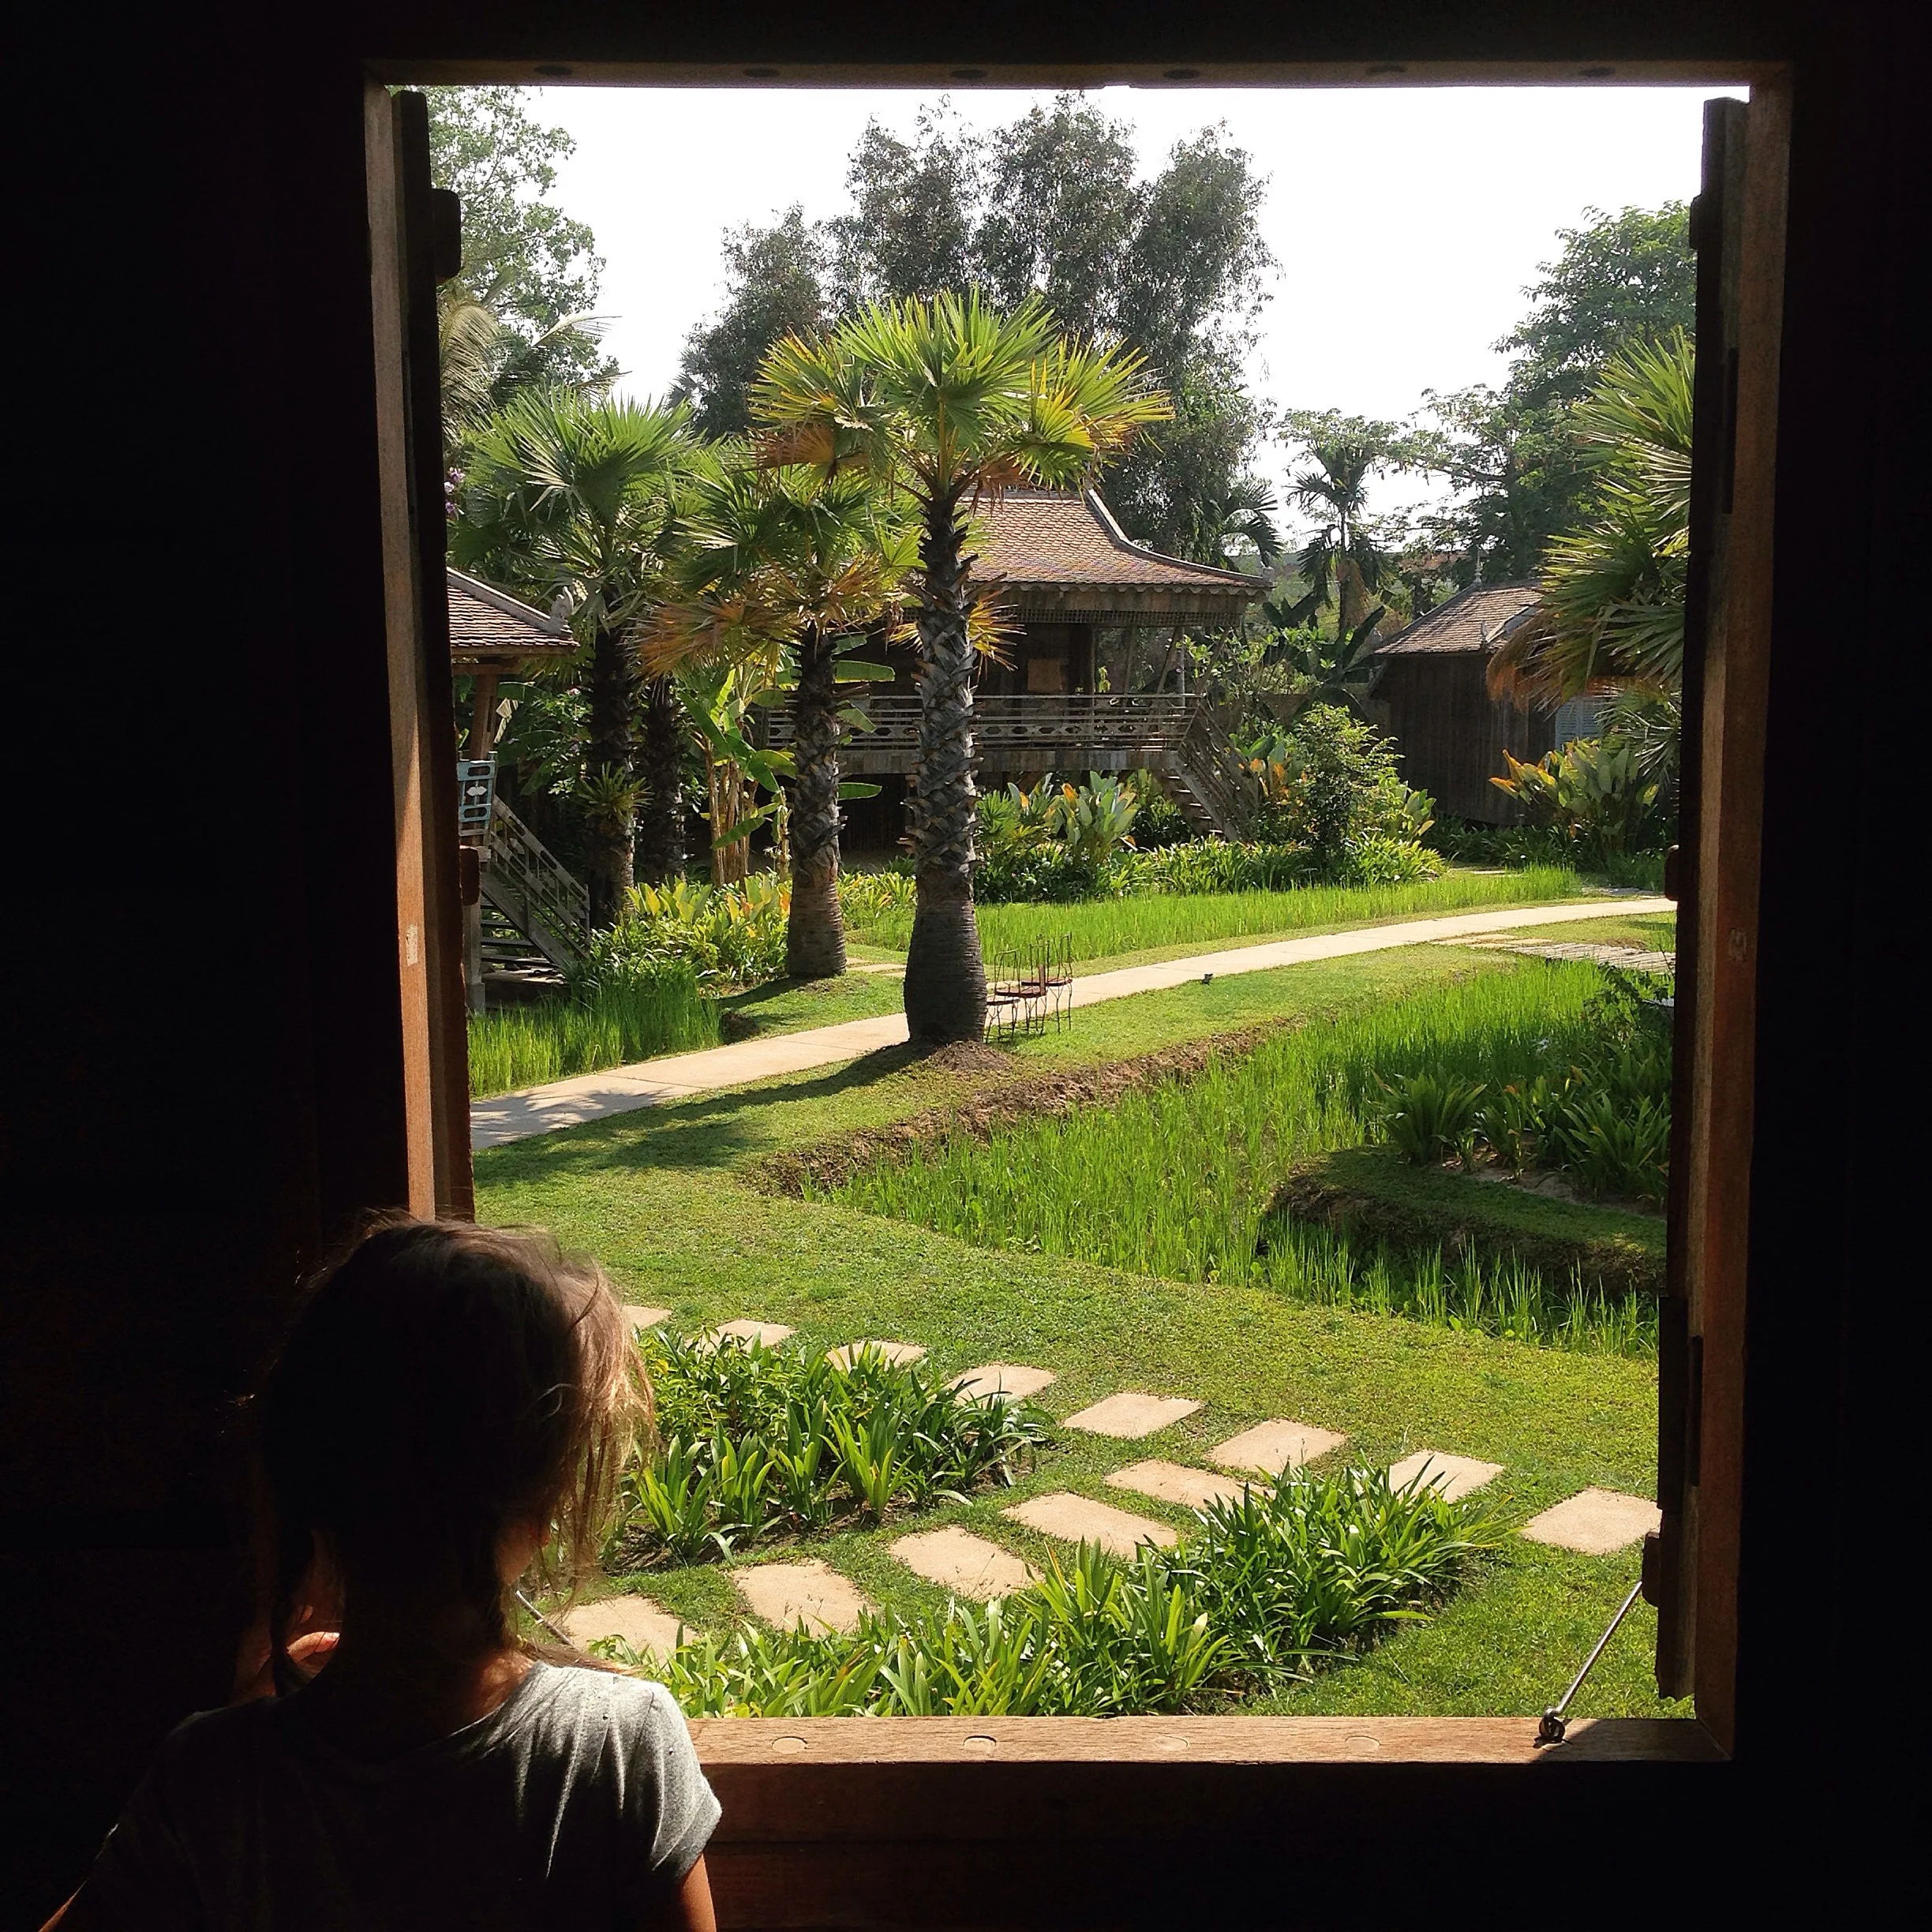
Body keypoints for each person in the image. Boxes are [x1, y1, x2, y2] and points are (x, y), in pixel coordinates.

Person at [44, 1218, 719, 1931]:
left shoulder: (210, 1777)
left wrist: (246, 1727)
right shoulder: (616, 1744)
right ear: (542, 1508)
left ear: (307, 1481)